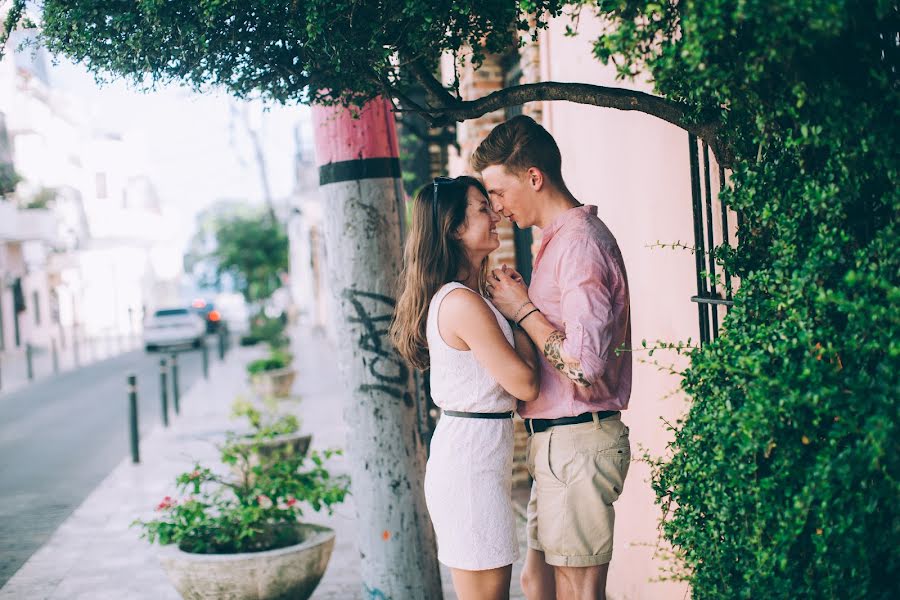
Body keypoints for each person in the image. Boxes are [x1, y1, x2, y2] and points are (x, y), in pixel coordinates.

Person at [472, 115, 633, 600]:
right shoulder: (557, 241)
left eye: (498, 193)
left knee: (577, 592)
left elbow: (585, 366)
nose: (496, 209)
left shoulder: (580, 245)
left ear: (533, 178)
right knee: (538, 582)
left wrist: (522, 311)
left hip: (578, 442)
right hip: (558, 445)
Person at [390, 175, 541, 600]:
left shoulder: (468, 297)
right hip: (470, 469)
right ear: (455, 228)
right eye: (481, 209)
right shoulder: (462, 302)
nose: (495, 216)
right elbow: (525, 383)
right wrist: (519, 314)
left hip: (474, 460)